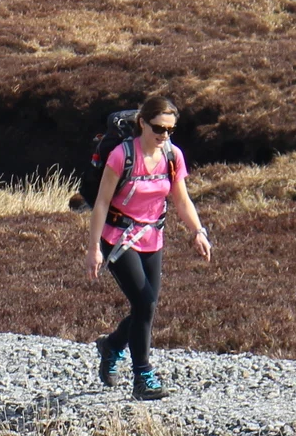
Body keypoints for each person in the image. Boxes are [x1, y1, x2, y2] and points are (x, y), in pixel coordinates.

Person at [87, 93, 211, 399]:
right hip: (118, 239)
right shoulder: (122, 155)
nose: (164, 135)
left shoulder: (172, 156)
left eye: (170, 130)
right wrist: (93, 249)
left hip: (153, 238)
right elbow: (101, 203)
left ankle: (112, 345)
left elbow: (181, 199)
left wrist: (198, 231)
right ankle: (143, 376)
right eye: (158, 128)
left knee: (147, 305)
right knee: (144, 303)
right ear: (142, 123)